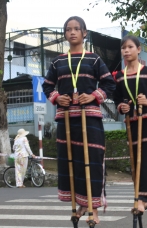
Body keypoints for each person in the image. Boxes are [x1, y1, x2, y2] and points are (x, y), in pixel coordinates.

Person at [42, 16, 116, 224]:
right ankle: (79, 203)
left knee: (91, 161)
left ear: (84, 33)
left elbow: (109, 84)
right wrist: (57, 97)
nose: (72, 32)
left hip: (90, 117)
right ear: (65, 34)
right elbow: (47, 86)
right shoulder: (58, 61)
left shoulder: (94, 60)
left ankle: (93, 208)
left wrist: (93, 96)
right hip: (66, 118)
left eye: (76, 29)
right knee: (71, 162)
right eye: (68, 29)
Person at [113, 35, 147, 213]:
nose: (126, 51)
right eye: (123, 48)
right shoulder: (118, 76)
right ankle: (144, 196)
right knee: (135, 159)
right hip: (131, 122)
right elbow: (117, 100)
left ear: (138, 49)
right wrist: (122, 106)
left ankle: (144, 197)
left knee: (146, 158)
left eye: (130, 47)